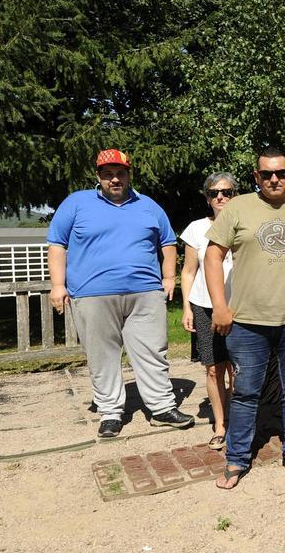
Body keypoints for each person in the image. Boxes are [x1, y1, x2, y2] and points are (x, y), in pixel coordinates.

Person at [47, 149, 194, 438]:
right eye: (108, 174)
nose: (115, 179)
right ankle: (111, 412)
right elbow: (57, 244)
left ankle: (162, 407)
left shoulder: (148, 205)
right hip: (92, 293)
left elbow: (167, 242)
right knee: (103, 355)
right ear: (98, 176)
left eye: (120, 173)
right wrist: (57, 285)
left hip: (146, 292)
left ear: (129, 175)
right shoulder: (76, 203)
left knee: (153, 351)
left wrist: (168, 278)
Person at [205, 148, 285, 490]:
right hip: (246, 322)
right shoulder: (238, 208)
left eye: (281, 173)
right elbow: (213, 258)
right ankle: (236, 459)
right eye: (266, 174)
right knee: (244, 393)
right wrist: (219, 305)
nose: (274, 179)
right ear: (256, 177)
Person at [180, 172, 237, 450]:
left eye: (226, 192)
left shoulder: (245, 225)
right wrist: (186, 308)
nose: (220, 197)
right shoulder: (196, 228)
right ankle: (220, 423)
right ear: (207, 198)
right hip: (204, 306)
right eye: (214, 193)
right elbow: (189, 271)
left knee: (238, 370)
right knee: (214, 369)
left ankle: (239, 422)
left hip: (240, 307)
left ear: (235, 195)